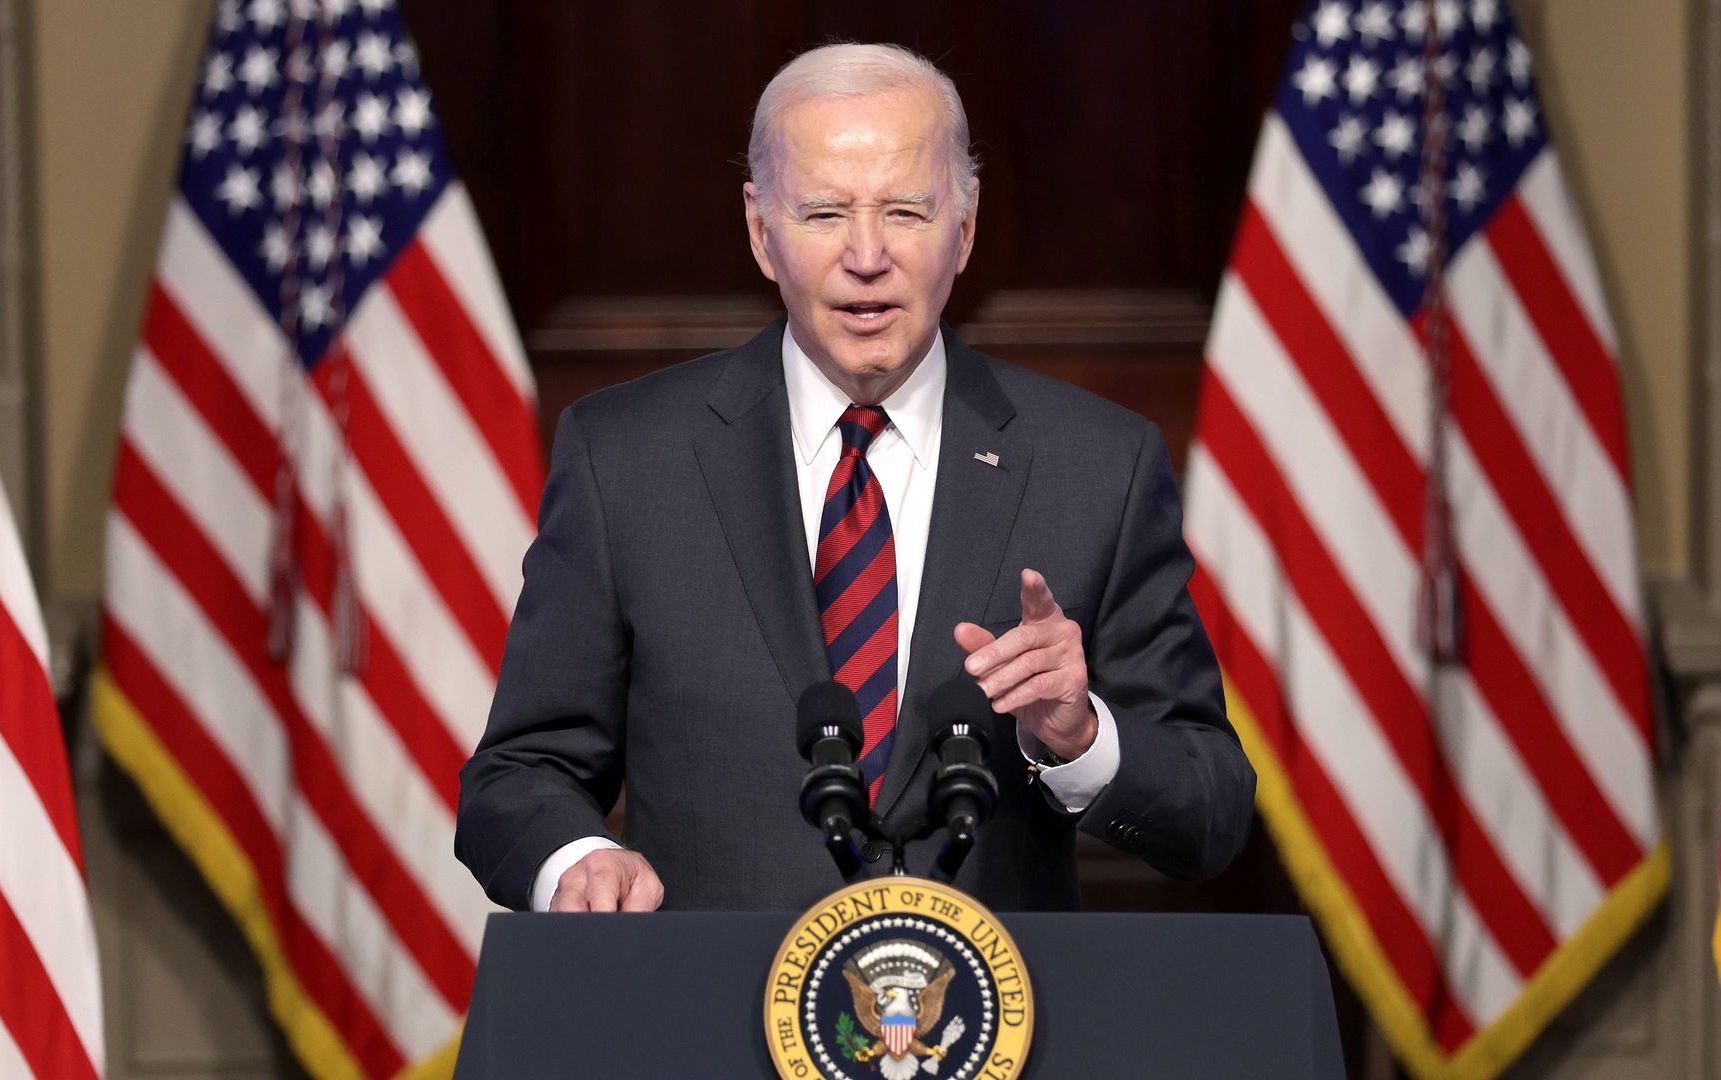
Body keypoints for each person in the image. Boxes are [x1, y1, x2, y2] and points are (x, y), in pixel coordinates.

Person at [455, 42, 1255, 913]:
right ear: (762, 232)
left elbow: (1209, 813)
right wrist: (577, 859)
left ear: (966, 227)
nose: (866, 256)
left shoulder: (1097, 464)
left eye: (907, 212)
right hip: (713, 1032)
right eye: (825, 214)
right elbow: (518, 773)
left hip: (995, 1035)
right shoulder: (627, 459)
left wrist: (1081, 735)